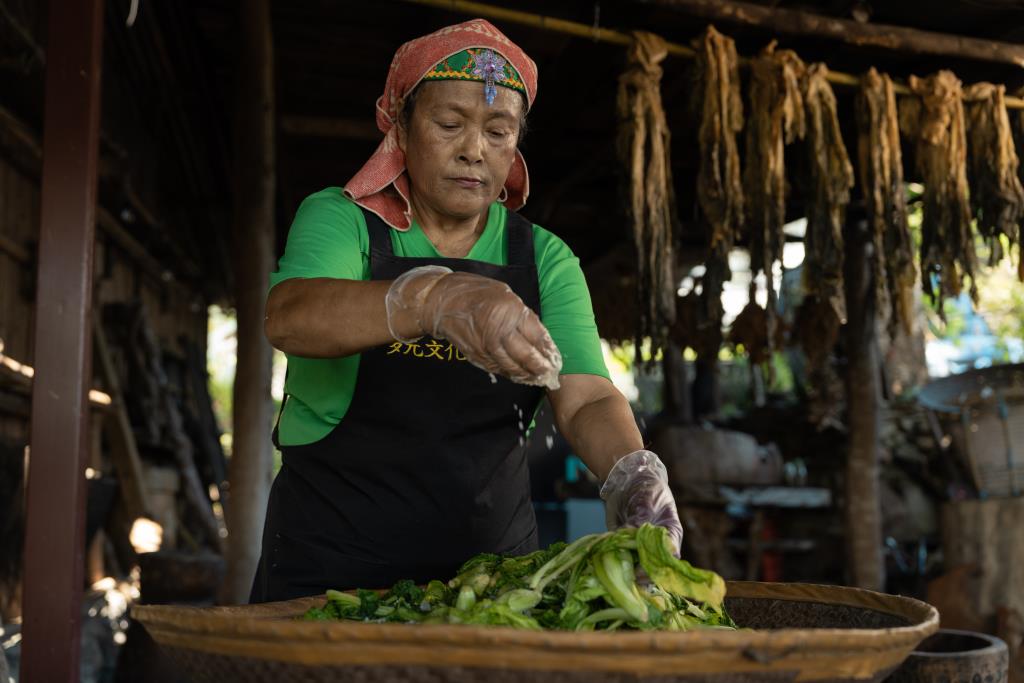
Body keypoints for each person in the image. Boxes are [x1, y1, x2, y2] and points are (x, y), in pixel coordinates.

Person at [251, 18, 682, 603]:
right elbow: (290, 316)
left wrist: (634, 475)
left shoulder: (544, 258)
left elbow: (586, 396)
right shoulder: (343, 220)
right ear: (401, 128)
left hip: (489, 583)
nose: (474, 150)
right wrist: (431, 298)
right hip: (329, 570)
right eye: (449, 124)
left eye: (499, 132)